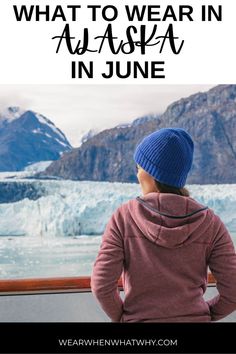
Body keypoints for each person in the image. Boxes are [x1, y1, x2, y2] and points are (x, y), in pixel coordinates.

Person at [91, 128, 236, 322]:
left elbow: (101, 285)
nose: (137, 174)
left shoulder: (123, 217)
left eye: (139, 167)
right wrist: (206, 313)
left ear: (151, 173)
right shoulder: (210, 222)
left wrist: (125, 317)